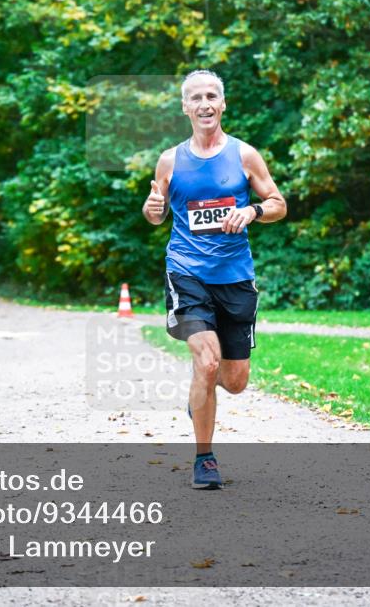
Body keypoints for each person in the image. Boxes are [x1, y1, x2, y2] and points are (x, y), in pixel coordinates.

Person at [142, 70, 287, 489]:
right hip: (186, 271)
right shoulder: (170, 160)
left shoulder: (244, 155)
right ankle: (205, 459)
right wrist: (153, 208)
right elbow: (157, 214)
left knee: (235, 381)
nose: (204, 104)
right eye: (196, 98)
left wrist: (253, 212)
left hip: (235, 277)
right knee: (206, 362)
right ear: (185, 107)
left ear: (223, 105)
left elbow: (278, 203)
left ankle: (198, 398)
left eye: (212, 96)